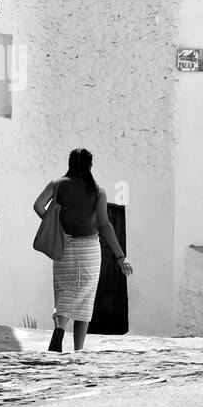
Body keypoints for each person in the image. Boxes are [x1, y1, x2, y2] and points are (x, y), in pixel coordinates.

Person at [32, 148, 134, 352]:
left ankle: (60, 327)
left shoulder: (57, 184)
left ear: (70, 163)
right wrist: (120, 256)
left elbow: (38, 206)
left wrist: (54, 224)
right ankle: (78, 350)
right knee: (85, 300)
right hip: (89, 250)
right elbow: (104, 225)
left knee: (64, 294)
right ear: (89, 166)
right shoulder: (98, 191)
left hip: (63, 248)